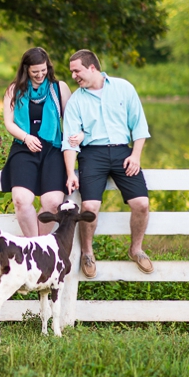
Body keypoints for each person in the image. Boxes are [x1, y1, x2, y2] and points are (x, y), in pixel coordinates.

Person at [61, 49, 154, 278]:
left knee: (141, 203)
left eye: (77, 71)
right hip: (92, 154)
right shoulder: (76, 100)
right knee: (90, 207)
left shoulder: (124, 88)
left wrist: (136, 156)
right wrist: (70, 173)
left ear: (92, 67)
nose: (74, 76)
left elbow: (139, 126)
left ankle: (136, 249)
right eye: (72, 72)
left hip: (124, 152)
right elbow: (70, 142)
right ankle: (87, 252)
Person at [0, 47, 81, 237]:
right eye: (35, 72)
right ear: (26, 69)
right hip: (23, 147)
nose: (40, 75)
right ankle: (34, 245)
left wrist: (80, 136)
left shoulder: (59, 88)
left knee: (53, 202)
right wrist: (26, 137)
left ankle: (40, 245)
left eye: (43, 70)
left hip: (52, 148)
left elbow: (71, 121)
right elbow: (8, 123)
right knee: (21, 200)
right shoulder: (14, 90)